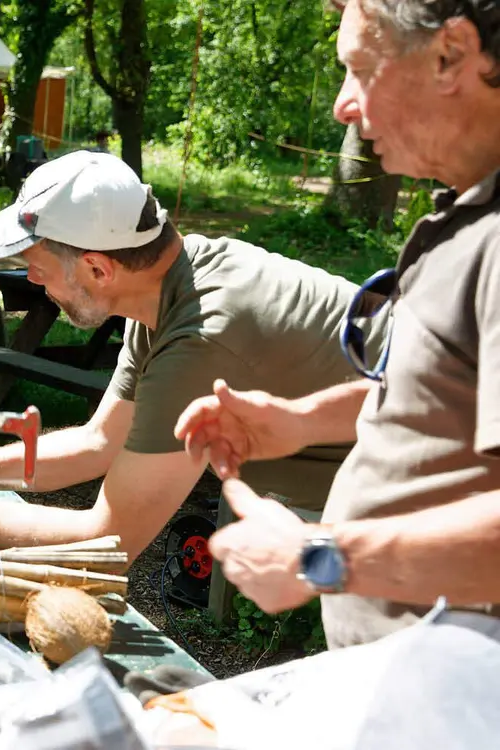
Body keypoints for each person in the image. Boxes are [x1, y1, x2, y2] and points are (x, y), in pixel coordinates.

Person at [0, 150, 384, 559]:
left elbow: (109, 538)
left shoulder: (201, 338)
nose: (33, 282)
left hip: (415, 497)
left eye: (37, 267)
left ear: (97, 268)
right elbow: (99, 442)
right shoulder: (169, 285)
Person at [173, 0, 500, 651]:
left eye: (361, 69)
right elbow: (442, 391)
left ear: (451, 55)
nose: (342, 106)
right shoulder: (468, 212)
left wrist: (321, 558)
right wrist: (300, 421)